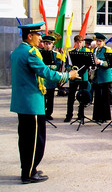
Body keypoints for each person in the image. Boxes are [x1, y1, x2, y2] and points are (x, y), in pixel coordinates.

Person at [10, 22, 79, 184]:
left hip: (23, 102)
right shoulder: (30, 53)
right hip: (31, 102)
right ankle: (28, 174)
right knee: (34, 140)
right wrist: (68, 76)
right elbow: (45, 72)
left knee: (26, 139)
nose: (40, 38)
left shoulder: (18, 51)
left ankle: (29, 168)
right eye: (38, 35)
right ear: (29, 36)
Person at [64, 35, 91, 122]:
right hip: (73, 77)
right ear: (75, 43)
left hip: (83, 77)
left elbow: (89, 64)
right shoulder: (71, 52)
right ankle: (69, 115)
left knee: (82, 96)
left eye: (80, 42)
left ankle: (81, 114)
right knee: (71, 96)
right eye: (77, 42)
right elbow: (67, 65)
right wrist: (71, 70)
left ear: (82, 42)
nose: (79, 44)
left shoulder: (86, 51)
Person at [92, 33, 112, 123]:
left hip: (104, 76)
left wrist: (100, 62)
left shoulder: (107, 50)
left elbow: (109, 63)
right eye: (97, 41)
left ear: (104, 41)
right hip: (97, 76)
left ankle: (105, 117)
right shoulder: (95, 50)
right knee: (97, 97)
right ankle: (97, 116)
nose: (98, 43)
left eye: (100, 41)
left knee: (105, 97)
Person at [42, 35, 62, 120]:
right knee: (42, 97)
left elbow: (58, 65)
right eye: (46, 44)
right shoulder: (39, 53)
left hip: (51, 79)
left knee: (50, 97)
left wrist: (49, 66)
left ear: (52, 45)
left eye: (49, 44)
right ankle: (42, 112)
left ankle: (49, 113)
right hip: (42, 79)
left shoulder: (56, 54)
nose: (47, 45)